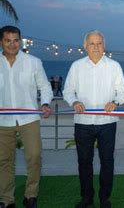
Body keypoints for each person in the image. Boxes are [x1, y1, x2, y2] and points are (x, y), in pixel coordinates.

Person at [64, 30, 124, 208]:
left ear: (104, 46)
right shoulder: (77, 66)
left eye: (99, 43)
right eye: (92, 43)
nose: (96, 47)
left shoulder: (114, 66)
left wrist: (115, 102)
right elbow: (68, 90)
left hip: (107, 122)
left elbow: (122, 92)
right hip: (83, 122)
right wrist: (74, 101)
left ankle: (105, 198)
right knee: (84, 162)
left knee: (107, 161)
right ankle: (87, 197)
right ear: (85, 46)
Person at [0, 26, 53, 208]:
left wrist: (45, 104)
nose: (13, 44)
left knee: (34, 156)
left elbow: (45, 87)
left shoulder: (33, 62)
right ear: (1, 42)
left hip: (29, 118)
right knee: (4, 160)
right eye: (8, 40)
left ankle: (31, 195)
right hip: (2, 121)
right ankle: (7, 200)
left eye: (16, 40)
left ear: (20, 41)